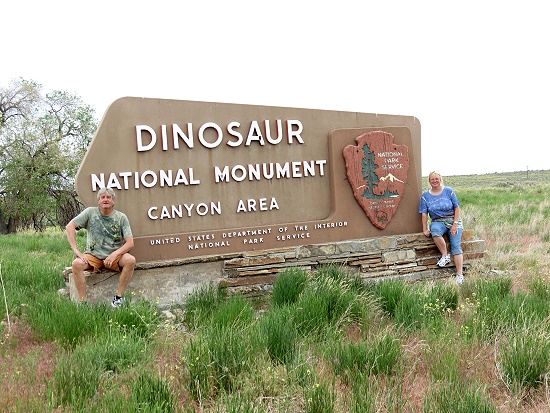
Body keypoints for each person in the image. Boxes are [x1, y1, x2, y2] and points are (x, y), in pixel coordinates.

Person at [66, 187, 136, 307]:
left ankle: (118, 298)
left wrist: (114, 255)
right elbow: (69, 227)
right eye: (102, 197)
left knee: (130, 260)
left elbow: (130, 243)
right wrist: (76, 250)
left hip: (115, 257)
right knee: (76, 264)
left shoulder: (121, 217)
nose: (105, 199)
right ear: (98, 200)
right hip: (93, 256)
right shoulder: (90, 213)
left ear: (113, 201)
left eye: (108, 197)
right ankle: (83, 303)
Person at [419, 171, 464, 284]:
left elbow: (457, 208)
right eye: (432, 179)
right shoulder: (425, 196)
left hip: (453, 220)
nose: (435, 181)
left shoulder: (448, 191)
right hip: (438, 221)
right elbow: (424, 213)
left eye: (437, 179)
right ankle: (445, 255)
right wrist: (424, 228)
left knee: (456, 246)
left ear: (440, 179)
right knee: (435, 230)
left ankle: (459, 274)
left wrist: (455, 224)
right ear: (429, 181)